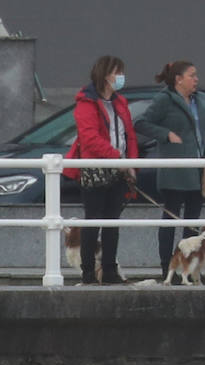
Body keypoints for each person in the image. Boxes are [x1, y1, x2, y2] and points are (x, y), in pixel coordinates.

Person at [134, 60, 205, 283]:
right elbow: (142, 123)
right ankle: (167, 267)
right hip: (175, 169)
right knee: (171, 217)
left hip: (201, 169)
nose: (196, 79)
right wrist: (166, 134)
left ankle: (189, 267)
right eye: (192, 75)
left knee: (193, 220)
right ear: (178, 79)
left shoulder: (202, 99)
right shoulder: (164, 100)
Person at [62, 55, 138, 285]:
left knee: (112, 221)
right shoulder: (86, 103)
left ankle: (109, 269)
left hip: (119, 168)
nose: (121, 77)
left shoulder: (120, 102)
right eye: (118, 72)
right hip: (95, 168)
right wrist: (117, 157)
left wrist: (131, 163)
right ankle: (88, 272)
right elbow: (89, 137)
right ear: (106, 75)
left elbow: (128, 135)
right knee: (92, 221)